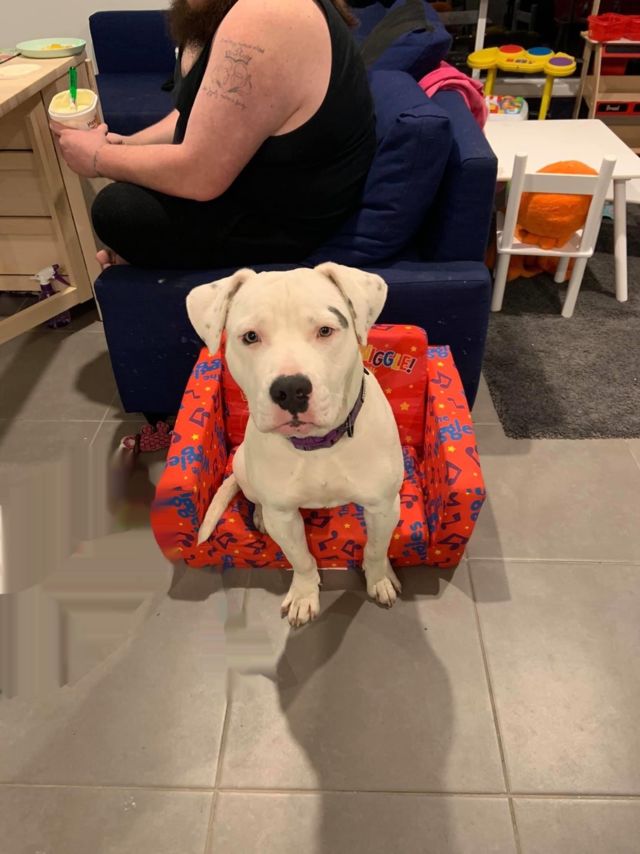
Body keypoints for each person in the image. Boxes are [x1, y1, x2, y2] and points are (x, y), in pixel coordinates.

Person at [51, 0, 376, 270]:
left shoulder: (265, 15)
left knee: (119, 210)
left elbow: (200, 175)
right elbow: (200, 115)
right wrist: (128, 144)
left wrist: (98, 157)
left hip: (288, 223)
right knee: (134, 189)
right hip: (259, 187)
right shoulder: (225, 11)